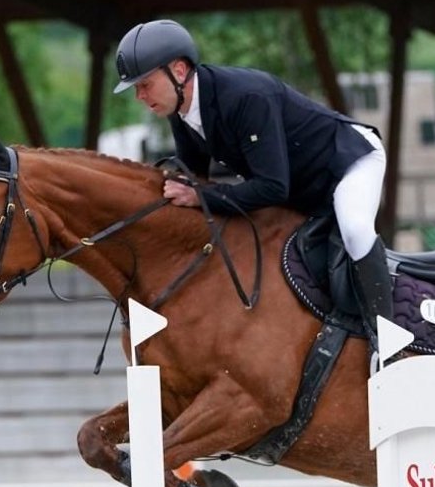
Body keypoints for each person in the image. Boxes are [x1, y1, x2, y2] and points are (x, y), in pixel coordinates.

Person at [113, 19, 392, 351]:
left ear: (179, 70)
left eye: (145, 83)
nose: (140, 96)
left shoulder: (246, 97)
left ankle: (386, 343)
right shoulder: (181, 111)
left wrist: (199, 194)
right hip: (304, 185)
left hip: (348, 160)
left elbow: (273, 188)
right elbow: (194, 179)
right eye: (136, 88)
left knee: (356, 229)